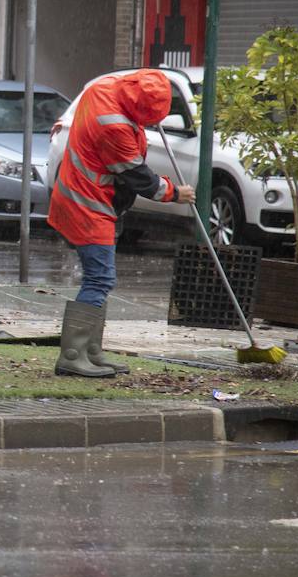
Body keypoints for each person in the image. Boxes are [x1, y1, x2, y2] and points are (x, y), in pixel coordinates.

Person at [47, 68, 194, 378]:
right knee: (99, 279)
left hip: (91, 198)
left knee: (99, 279)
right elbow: (139, 178)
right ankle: (73, 355)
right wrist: (174, 192)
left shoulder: (106, 86)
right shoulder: (112, 125)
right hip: (88, 203)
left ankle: (91, 350)